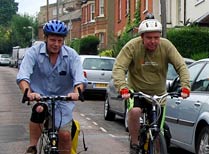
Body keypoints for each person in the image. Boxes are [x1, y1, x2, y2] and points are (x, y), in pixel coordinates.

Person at [112, 16, 191, 154]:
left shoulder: (166, 46)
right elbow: (119, 67)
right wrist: (122, 87)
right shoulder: (132, 46)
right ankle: (135, 142)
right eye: (149, 38)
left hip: (159, 95)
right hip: (136, 92)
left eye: (156, 37)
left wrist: (185, 86)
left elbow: (181, 66)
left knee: (158, 131)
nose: (153, 41)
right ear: (142, 37)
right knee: (135, 111)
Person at [16, 20, 87, 154]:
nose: (56, 44)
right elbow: (23, 76)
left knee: (65, 135)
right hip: (40, 96)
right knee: (39, 109)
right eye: (53, 40)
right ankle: (32, 147)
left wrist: (77, 92)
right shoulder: (34, 52)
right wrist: (28, 92)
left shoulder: (71, 55)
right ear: (46, 38)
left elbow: (79, 78)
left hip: (63, 101)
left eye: (60, 41)